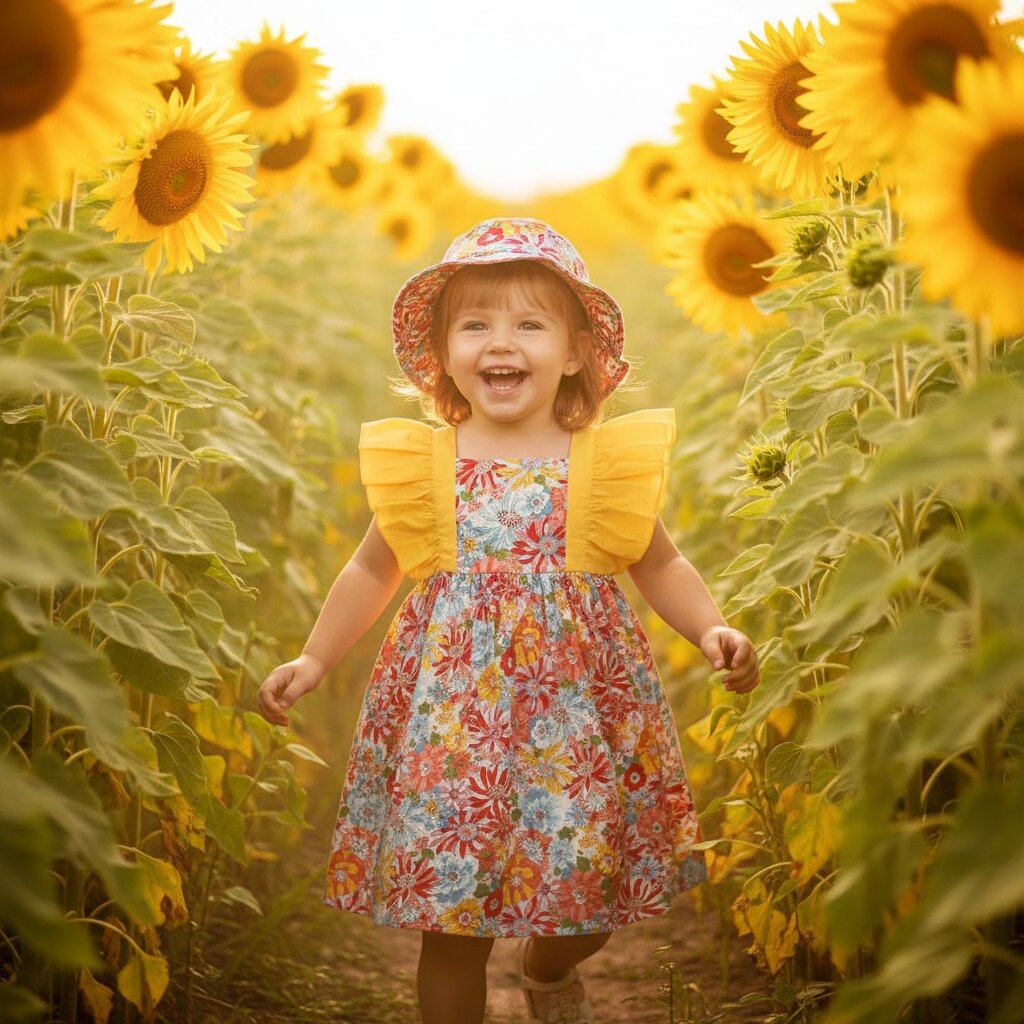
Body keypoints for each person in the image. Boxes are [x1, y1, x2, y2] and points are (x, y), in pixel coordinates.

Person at [257, 218, 760, 1024]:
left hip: (575, 724)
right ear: (443, 350)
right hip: (455, 729)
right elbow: (371, 569)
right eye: (475, 324)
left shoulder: (600, 463)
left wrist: (710, 629)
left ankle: (547, 969)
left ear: (575, 352)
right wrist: (314, 659)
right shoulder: (428, 465)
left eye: (530, 324)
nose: (501, 342)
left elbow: (659, 563)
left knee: (587, 906)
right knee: (451, 926)